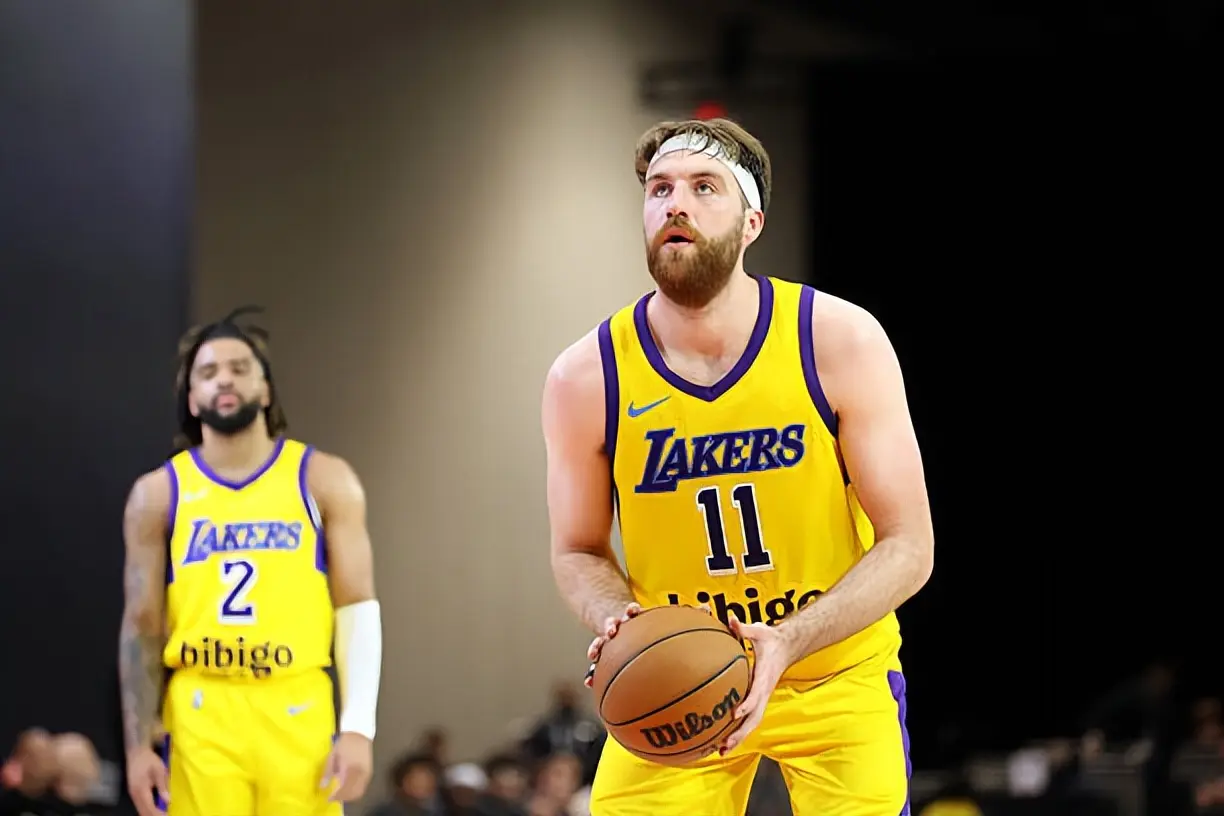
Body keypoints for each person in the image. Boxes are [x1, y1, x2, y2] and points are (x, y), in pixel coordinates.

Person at [541, 118, 935, 815]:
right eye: (660, 189)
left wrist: (789, 639)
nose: (676, 204)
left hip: (831, 672)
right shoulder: (586, 376)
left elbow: (909, 546)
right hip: (680, 677)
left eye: (704, 187)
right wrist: (614, 617)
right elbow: (577, 549)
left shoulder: (837, 340)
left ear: (752, 222)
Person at [118, 307, 383, 816]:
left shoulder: (324, 479)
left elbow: (357, 608)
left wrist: (357, 728)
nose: (224, 379)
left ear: (265, 390)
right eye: (208, 371)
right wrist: (137, 746)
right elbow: (141, 624)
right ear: (191, 398)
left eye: (240, 368)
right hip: (200, 710)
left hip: (297, 702)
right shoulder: (158, 494)